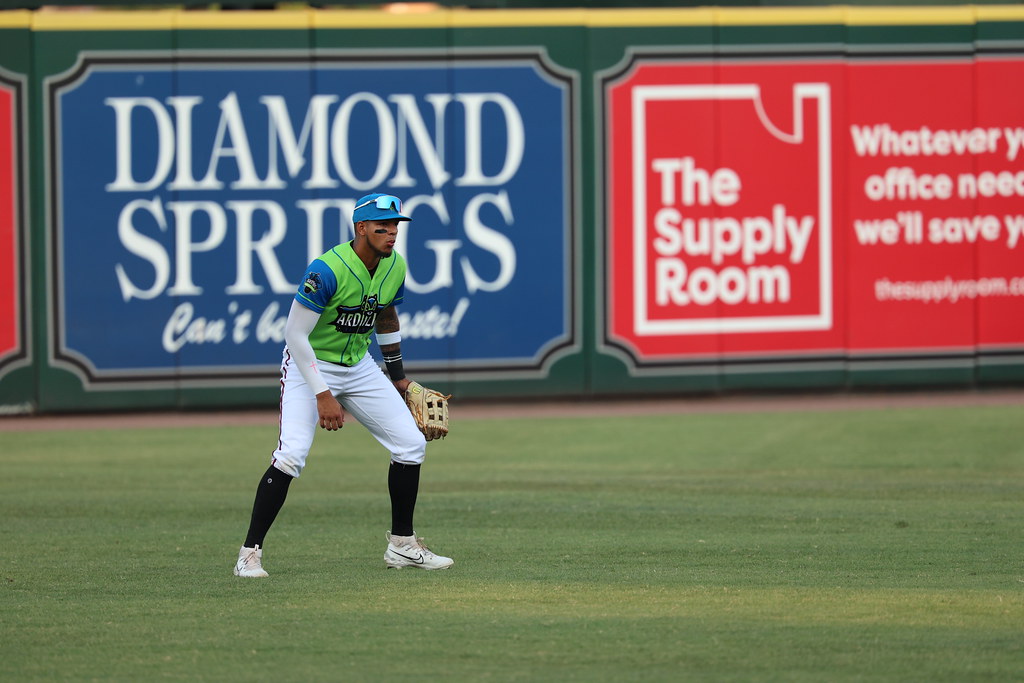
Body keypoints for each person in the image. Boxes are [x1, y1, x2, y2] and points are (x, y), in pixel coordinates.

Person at [233, 192, 453, 577]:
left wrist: (398, 378)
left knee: (410, 445)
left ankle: (402, 545)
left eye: (396, 226)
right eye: (382, 227)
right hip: (311, 365)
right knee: (291, 455)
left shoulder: (393, 265)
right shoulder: (327, 269)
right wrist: (323, 394)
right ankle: (249, 554)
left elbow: (385, 315)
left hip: (359, 366)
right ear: (361, 228)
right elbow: (294, 335)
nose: (391, 233)